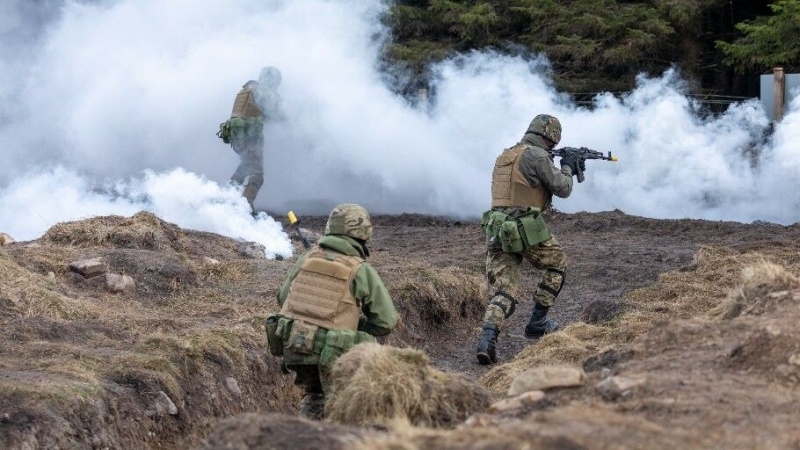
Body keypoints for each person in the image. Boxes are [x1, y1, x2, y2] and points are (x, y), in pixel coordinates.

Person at [265, 204, 398, 420]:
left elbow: (282, 298)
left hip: (297, 345)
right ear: (363, 233)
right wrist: (355, 323)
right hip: (334, 351)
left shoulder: (307, 258)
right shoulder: (361, 269)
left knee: (315, 396)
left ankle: (306, 439)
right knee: (345, 407)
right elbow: (386, 321)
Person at [475, 114, 585, 365]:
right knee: (557, 264)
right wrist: (567, 166)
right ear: (551, 136)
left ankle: (486, 342)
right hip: (525, 226)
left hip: (498, 227)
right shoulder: (537, 156)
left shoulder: (505, 155)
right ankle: (537, 322)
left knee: (504, 290)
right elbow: (563, 188)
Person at [221, 66, 284, 213]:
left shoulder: (247, 88)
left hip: (234, 134)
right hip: (250, 134)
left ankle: (226, 199)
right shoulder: (264, 91)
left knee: (245, 166)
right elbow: (275, 113)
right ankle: (244, 207)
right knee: (257, 175)